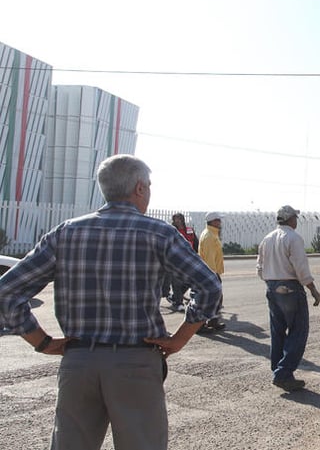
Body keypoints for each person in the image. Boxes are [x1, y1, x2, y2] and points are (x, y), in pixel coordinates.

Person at [0, 154, 222, 449]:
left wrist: (41, 341)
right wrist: (180, 338)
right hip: (136, 361)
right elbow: (208, 285)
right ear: (139, 189)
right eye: (149, 186)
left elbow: (7, 291)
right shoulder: (160, 233)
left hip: (79, 361)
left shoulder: (65, 233)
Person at [256, 205, 320, 392]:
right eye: (295, 218)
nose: (297, 221)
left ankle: (278, 369)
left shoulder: (266, 239)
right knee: (298, 330)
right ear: (290, 219)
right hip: (291, 288)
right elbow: (301, 268)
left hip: (271, 287)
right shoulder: (293, 238)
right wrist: (312, 289)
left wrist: (272, 282)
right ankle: (283, 373)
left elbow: (259, 267)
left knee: (277, 331)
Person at [199, 211, 226, 333]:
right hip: (210, 272)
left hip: (211, 272)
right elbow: (209, 257)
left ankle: (213, 321)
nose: (220, 222)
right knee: (211, 298)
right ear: (213, 221)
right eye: (218, 220)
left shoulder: (211, 234)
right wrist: (213, 275)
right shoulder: (209, 236)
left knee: (215, 298)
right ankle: (201, 324)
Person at [168, 212, 199, 311]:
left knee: (189, 282)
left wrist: (196, 256)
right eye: (175, 219)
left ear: (183, 219)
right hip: (175, 260)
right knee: (176, 282)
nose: (177, 221)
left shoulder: (190, 230)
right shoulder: (171, 231)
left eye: (179, 219)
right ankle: (179, 303)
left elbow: (196, 244)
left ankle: (175, 297)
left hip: (189, 259)